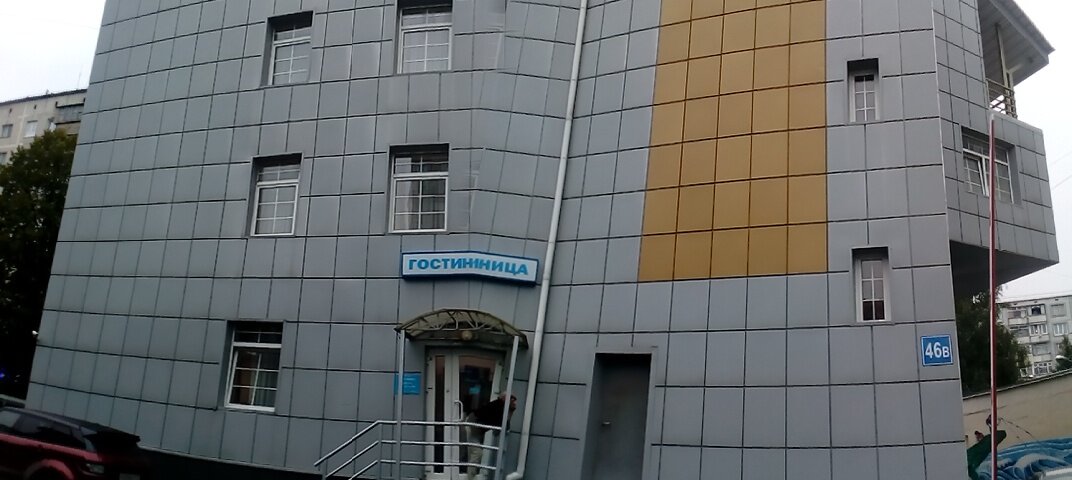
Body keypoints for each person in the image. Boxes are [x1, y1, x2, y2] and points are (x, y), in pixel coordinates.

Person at [465, 394, 517, 478]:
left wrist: (510, 411)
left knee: (474, 455)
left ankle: (470, 477)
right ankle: (470, 478)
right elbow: (499, 430)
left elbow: (500, 428)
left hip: (475, 426)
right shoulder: (499, 407)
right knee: (477, 453)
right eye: (512, 400)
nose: (514, 402)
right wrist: (511, 412)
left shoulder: (500, 406)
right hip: (473, 425)